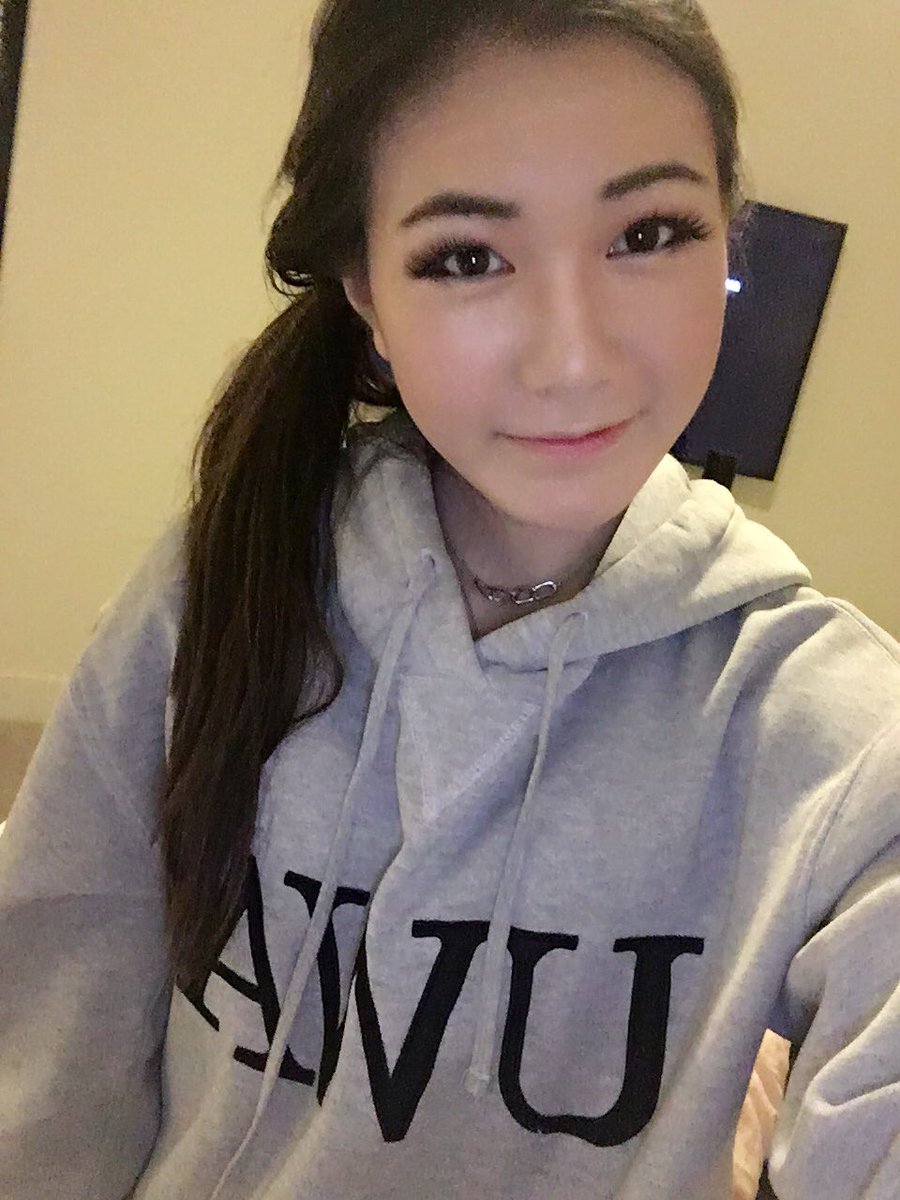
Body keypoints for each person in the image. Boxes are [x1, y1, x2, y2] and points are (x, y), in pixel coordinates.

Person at [1, 1, 898, 1198]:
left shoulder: (832, 733)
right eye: (467, 257)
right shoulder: (226, 578)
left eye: (649, 233)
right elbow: (47, 1057)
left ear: (727, 237)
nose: (573, 357)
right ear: (365, 290)